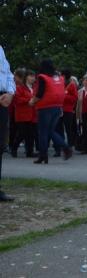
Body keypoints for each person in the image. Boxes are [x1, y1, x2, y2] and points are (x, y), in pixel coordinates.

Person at [29, 59, 72, 164]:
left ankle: (44, 155)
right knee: (50, 131)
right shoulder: (58, 77)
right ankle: (64, 147)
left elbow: (40, 93)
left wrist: (32, 101)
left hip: (45, 108)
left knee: (43, 132)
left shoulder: (42, 77)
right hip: (57, 107)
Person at [0, 46, 15, 201]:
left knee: (0, 145)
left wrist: (10, 92)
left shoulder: (0, 49)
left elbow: (8, 74)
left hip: (3, 100)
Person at [11, 69, 36, 158]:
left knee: (30, 134)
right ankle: (14, 148)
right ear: (26, 78)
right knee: (22, 134)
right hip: (22, 114)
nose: (33, 78)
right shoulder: (20, 88)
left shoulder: (34, 88)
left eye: (34, 76)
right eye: (31, 76)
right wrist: (28, 100)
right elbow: (17, 99)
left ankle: (30, 151)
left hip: (32, 115)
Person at [61, 68, 78, 149]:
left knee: (68, 129)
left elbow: (75, 98)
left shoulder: (72, 85)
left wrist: (64, 96)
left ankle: (70, 144)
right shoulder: (61, 84)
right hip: (60, 109)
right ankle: (61, 144)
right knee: (60, 128)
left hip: (68, 110)